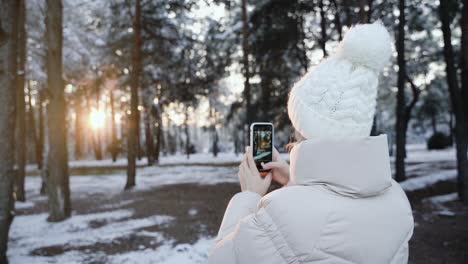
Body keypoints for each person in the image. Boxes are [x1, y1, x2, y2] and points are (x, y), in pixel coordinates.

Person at [209, 22, 414, 264]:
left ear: (304, 130)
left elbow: (223, 260)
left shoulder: (285, 214)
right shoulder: (398, 200)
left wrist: (248, 197)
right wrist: (295, 181)